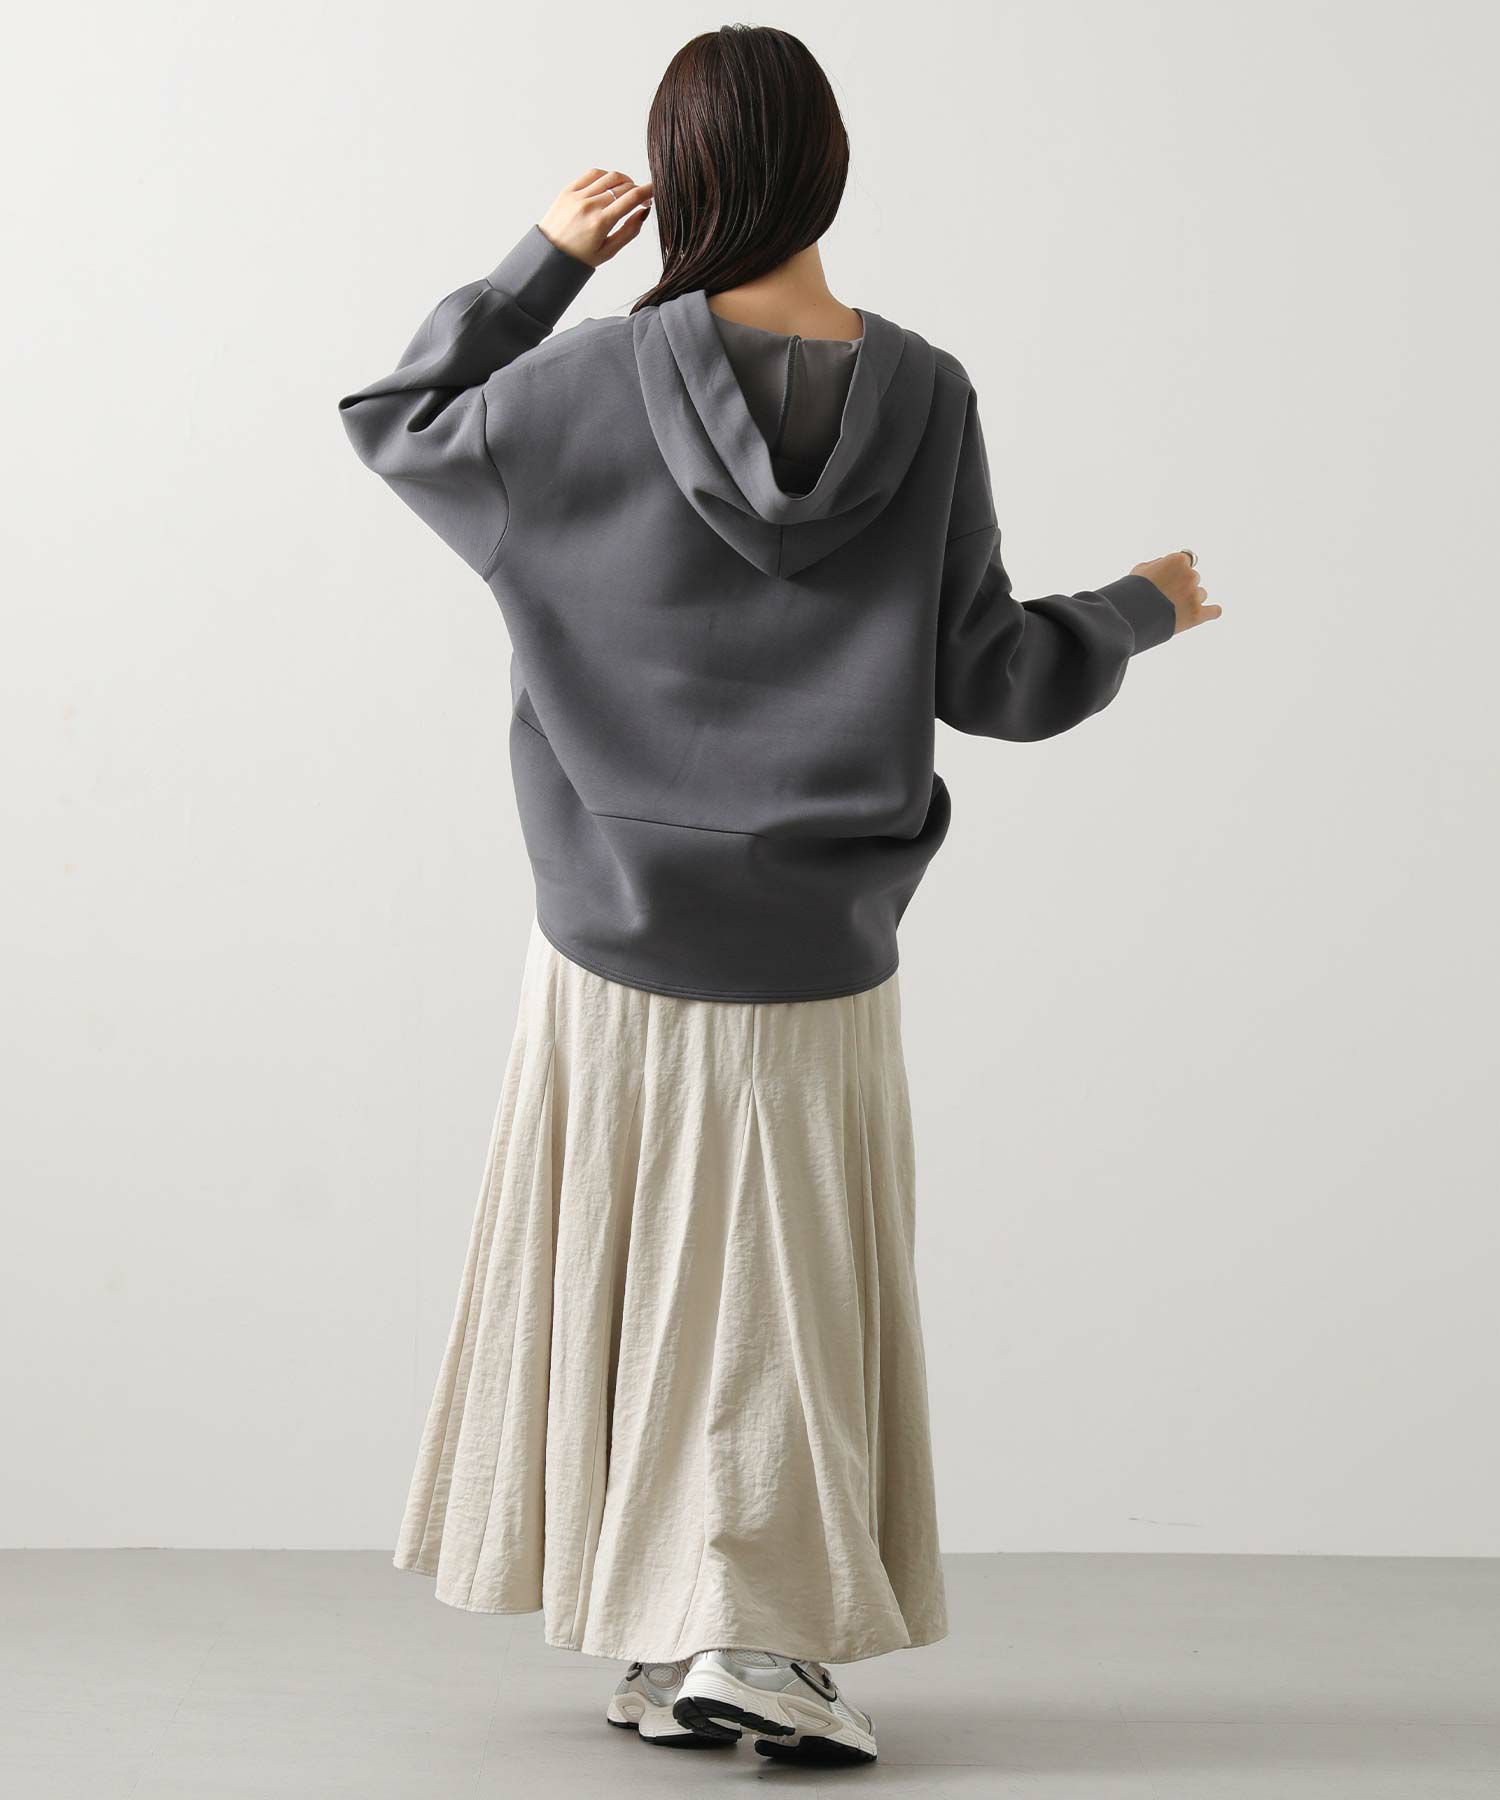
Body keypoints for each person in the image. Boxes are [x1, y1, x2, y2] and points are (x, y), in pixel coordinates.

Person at [337, 22, 1219, 1770]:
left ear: (679, 180)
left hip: (609, 931)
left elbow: (396, 426)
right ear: (829, 171)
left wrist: (542, 265)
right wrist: (1138, 607)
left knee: (642, 1279)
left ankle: (709, 1635)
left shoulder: (579, 385)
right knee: (784, 1293)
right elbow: (992, 676)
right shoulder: (926, 390)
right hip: (820, 946)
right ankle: (740, 1642)